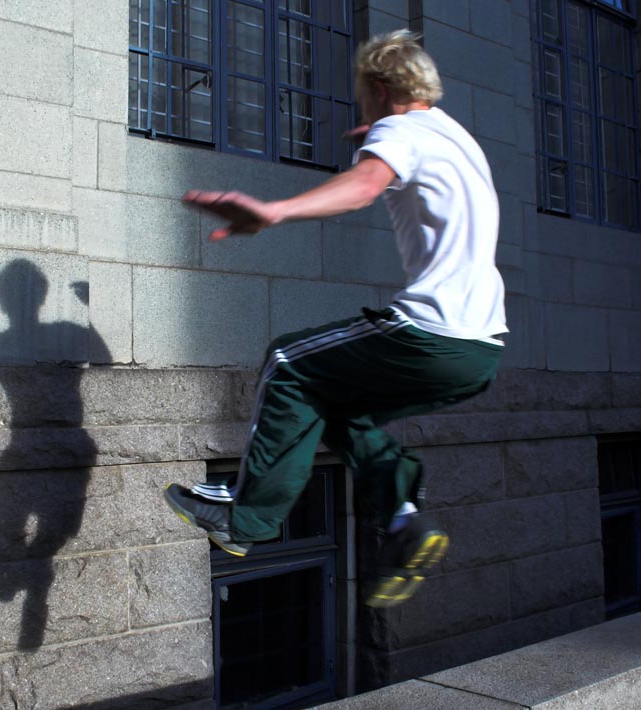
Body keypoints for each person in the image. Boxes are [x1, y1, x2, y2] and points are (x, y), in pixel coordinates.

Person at [163, 30, 508, 608]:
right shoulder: (454, 137)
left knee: (288, 362)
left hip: (430, 330)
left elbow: (366, 186)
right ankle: (403, 522)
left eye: (362, 98)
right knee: (333, 399)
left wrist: (273, 210)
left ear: (378, 89)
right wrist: (377, 137)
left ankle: (245, 519)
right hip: (480, 350)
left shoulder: (400, 131)